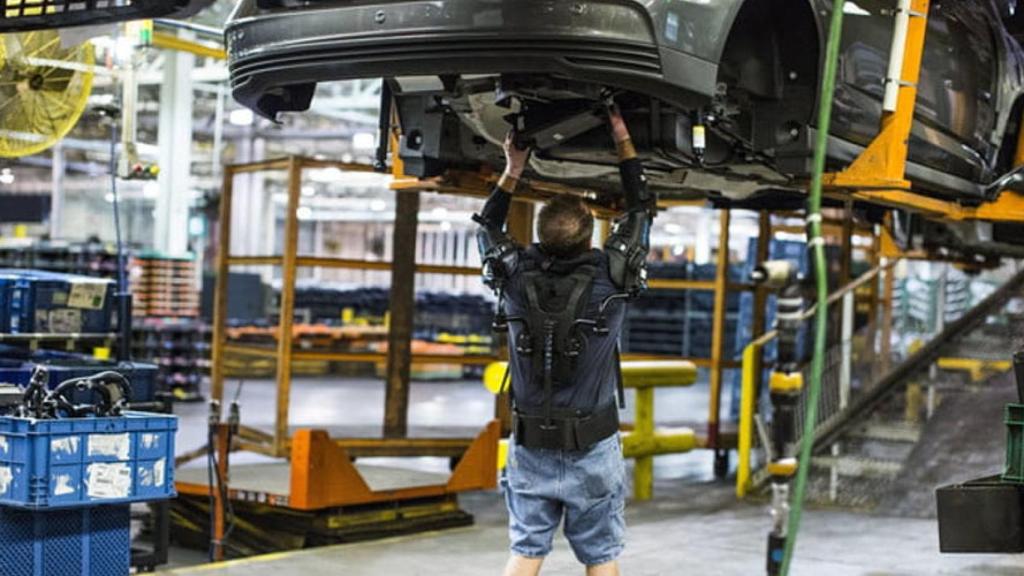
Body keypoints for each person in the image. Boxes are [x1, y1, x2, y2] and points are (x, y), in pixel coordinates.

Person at [474, 103, 655, 576]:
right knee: (602, 557)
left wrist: (513, 168)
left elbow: (487, 227)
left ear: (539, 236)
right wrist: (622, 136)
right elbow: (641, 209)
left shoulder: (512, 278)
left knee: (525, 550)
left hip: (530, 445)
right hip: (592, 448)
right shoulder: (611, 279)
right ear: (590, 239)